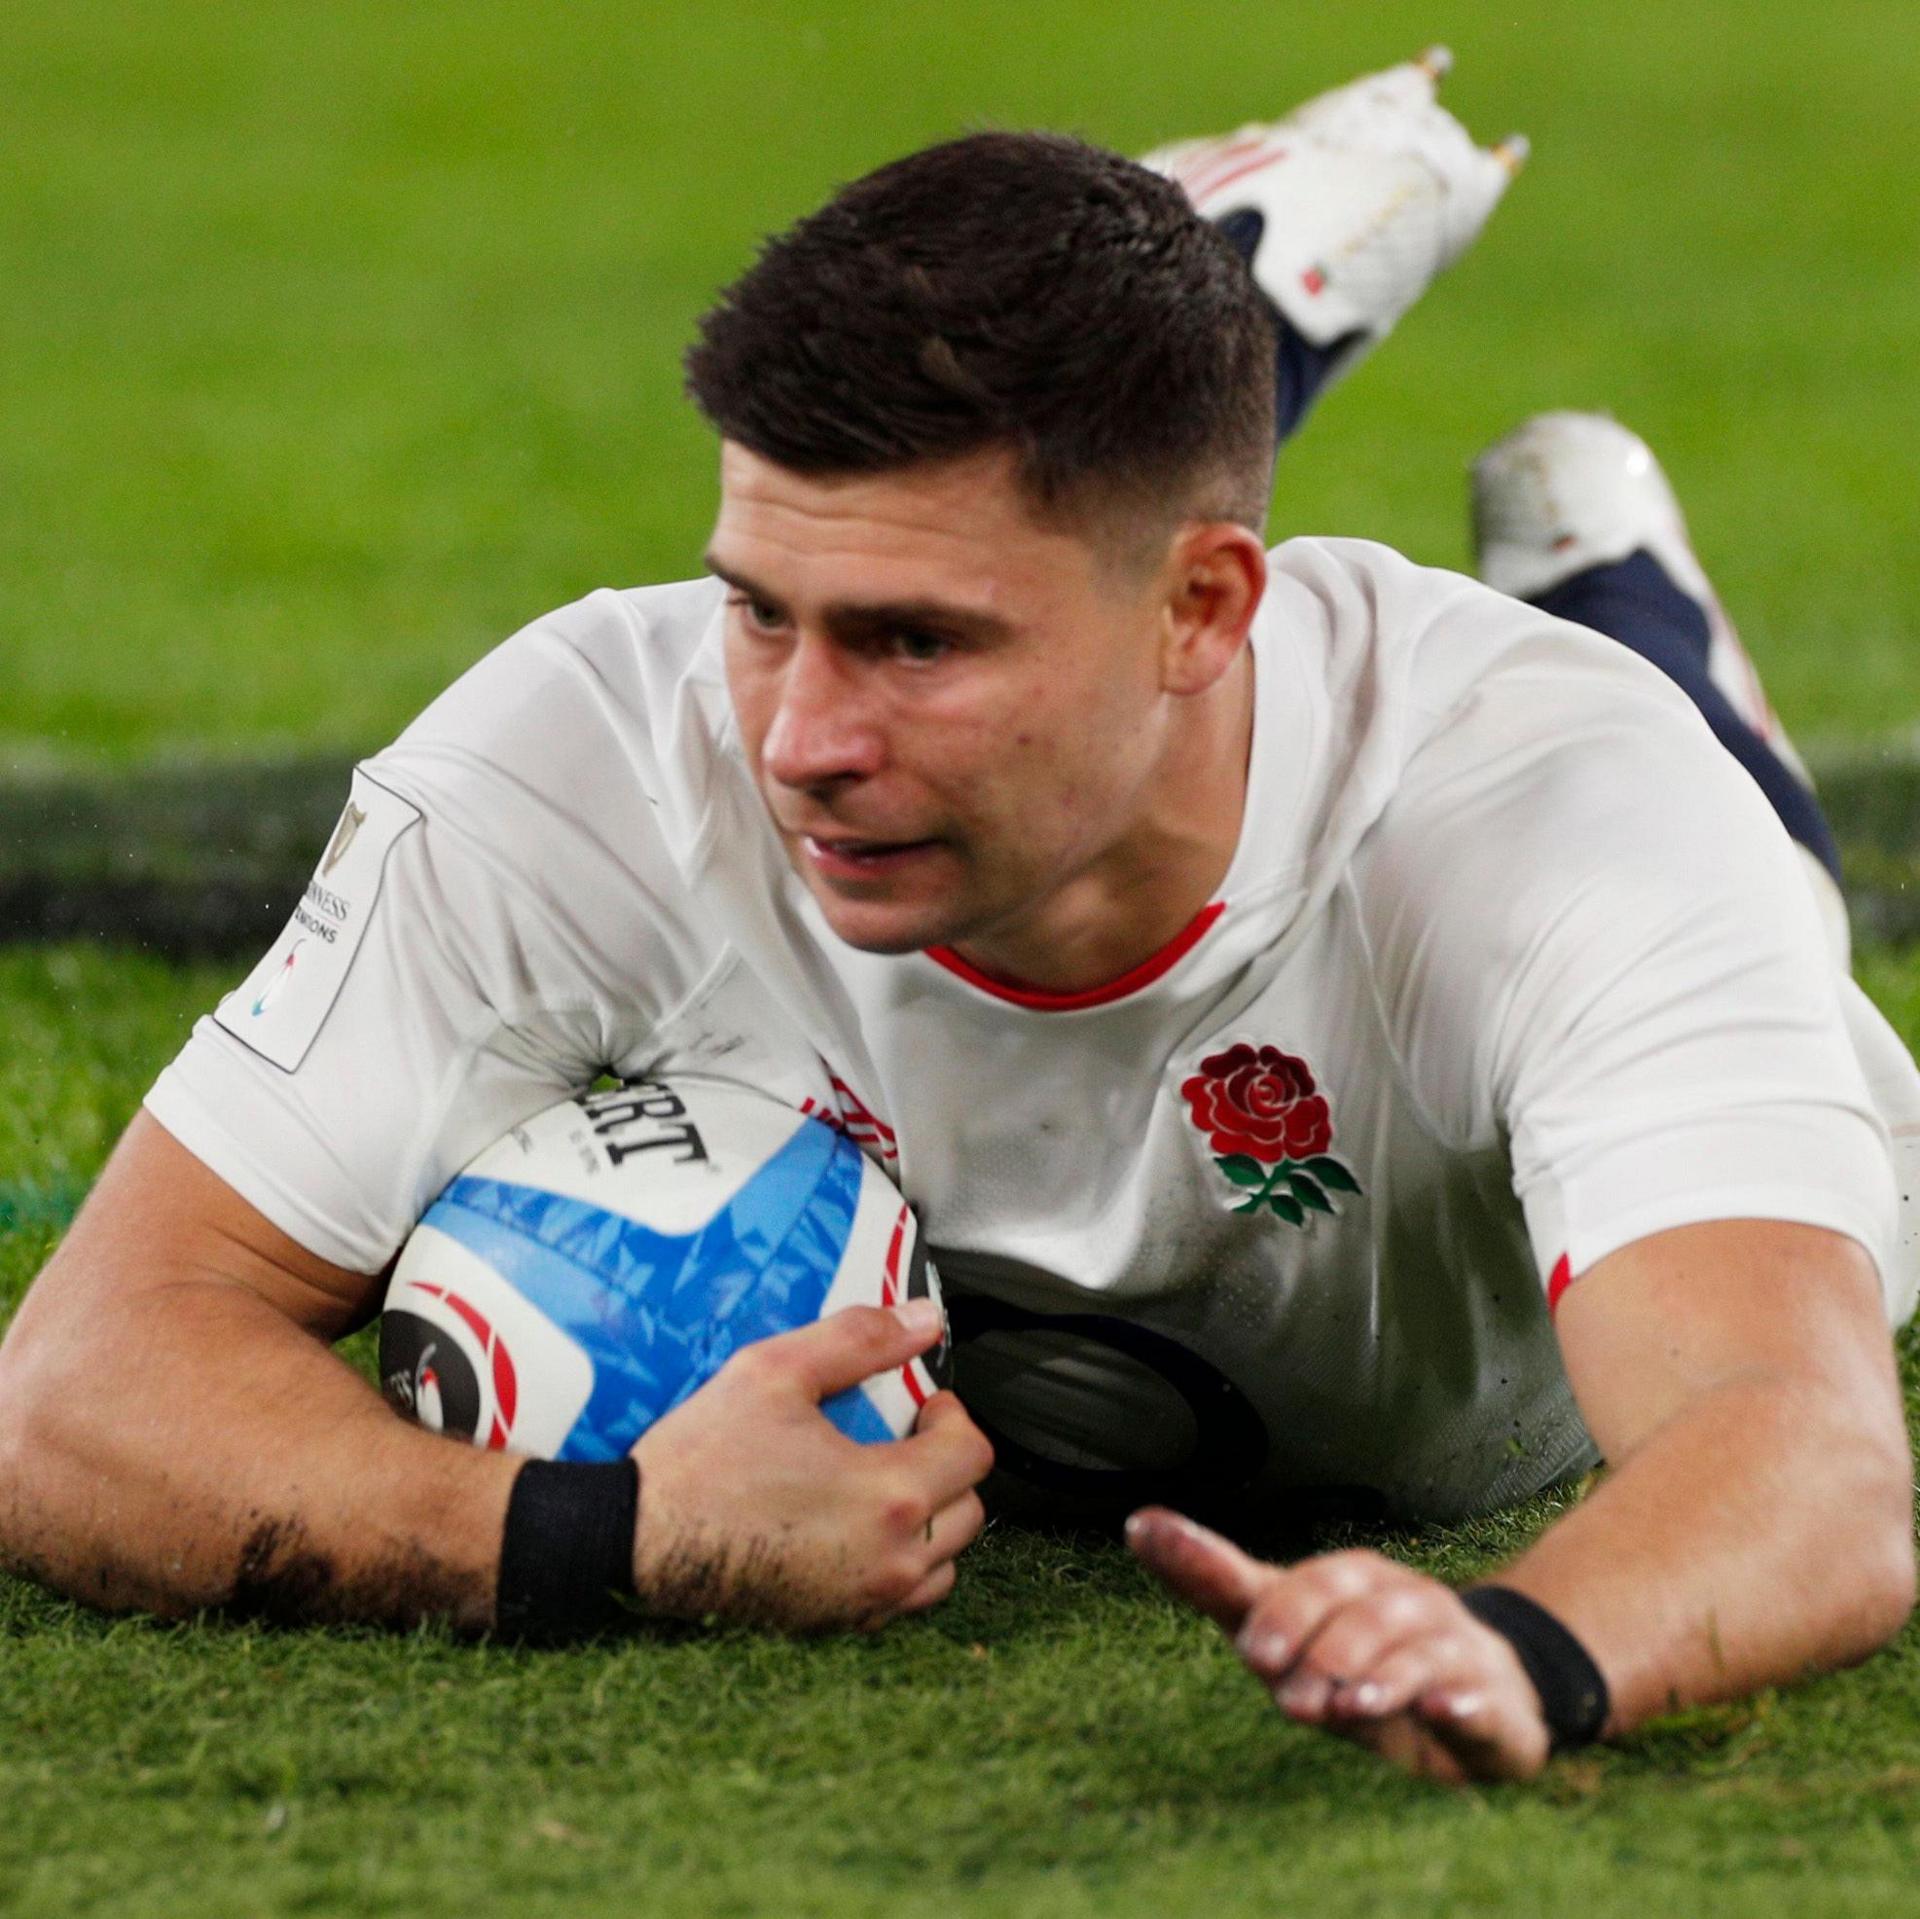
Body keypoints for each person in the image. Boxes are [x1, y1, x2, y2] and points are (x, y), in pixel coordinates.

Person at [0, 52, 1913, 1785]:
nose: (802, 742)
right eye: (760, 608)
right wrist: (607, 1541)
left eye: (915, 639)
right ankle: (1204, 296)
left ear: (1201, 610)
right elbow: (70, 1403)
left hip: (1594, 894)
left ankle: (1613, 578)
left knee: (1748, 854)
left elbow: (1804, 1450)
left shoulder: (1562, 820)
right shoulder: (591, 755)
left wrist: (1529, 1642)